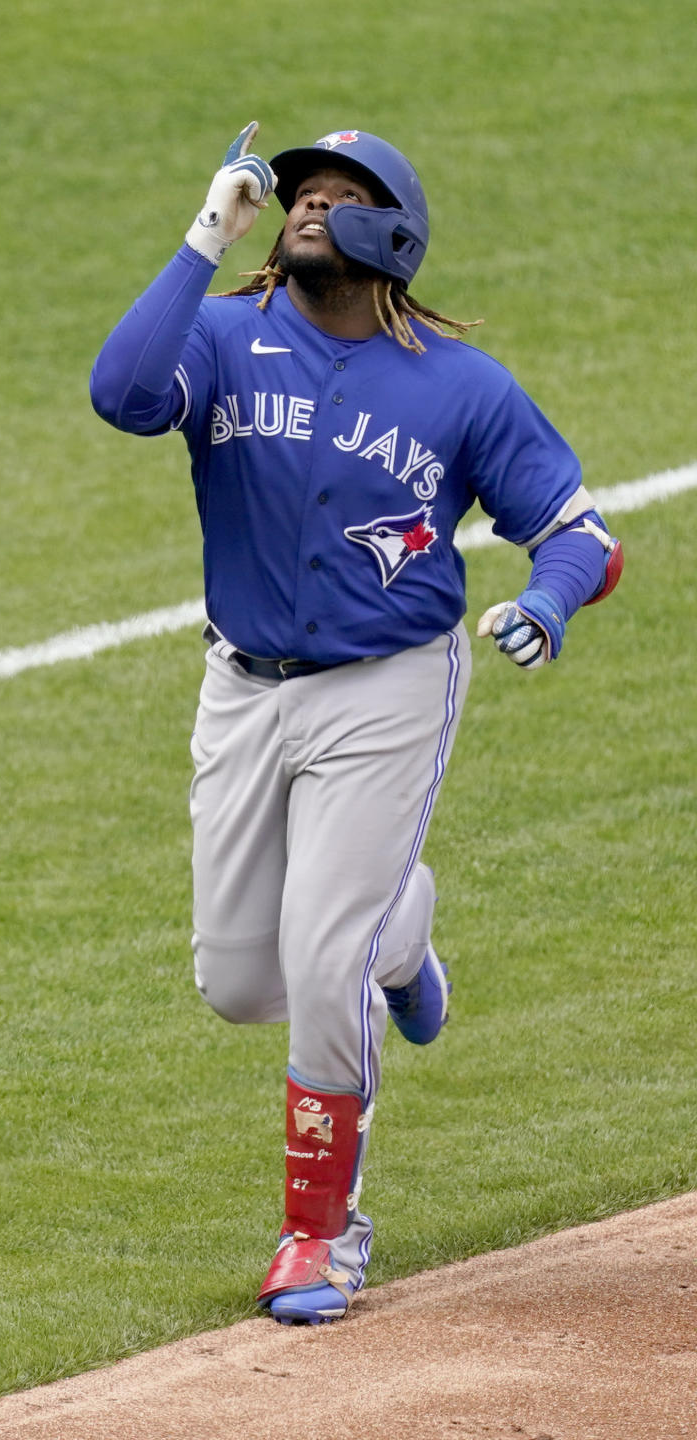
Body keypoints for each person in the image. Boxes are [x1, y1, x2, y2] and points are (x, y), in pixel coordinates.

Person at [89, 123, 622, 1325]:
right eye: (296, 194)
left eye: (340, 194)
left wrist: (546, 600)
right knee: (239, 981)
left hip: (388, 685)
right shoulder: (225, 336)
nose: (308, 206)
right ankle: (404, 933)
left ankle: (321, 1237)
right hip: (241, 686)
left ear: (398, 231)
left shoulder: (459, 384)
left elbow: (583, 532)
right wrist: (201, 237)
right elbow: (121, 396)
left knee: (322, 958)